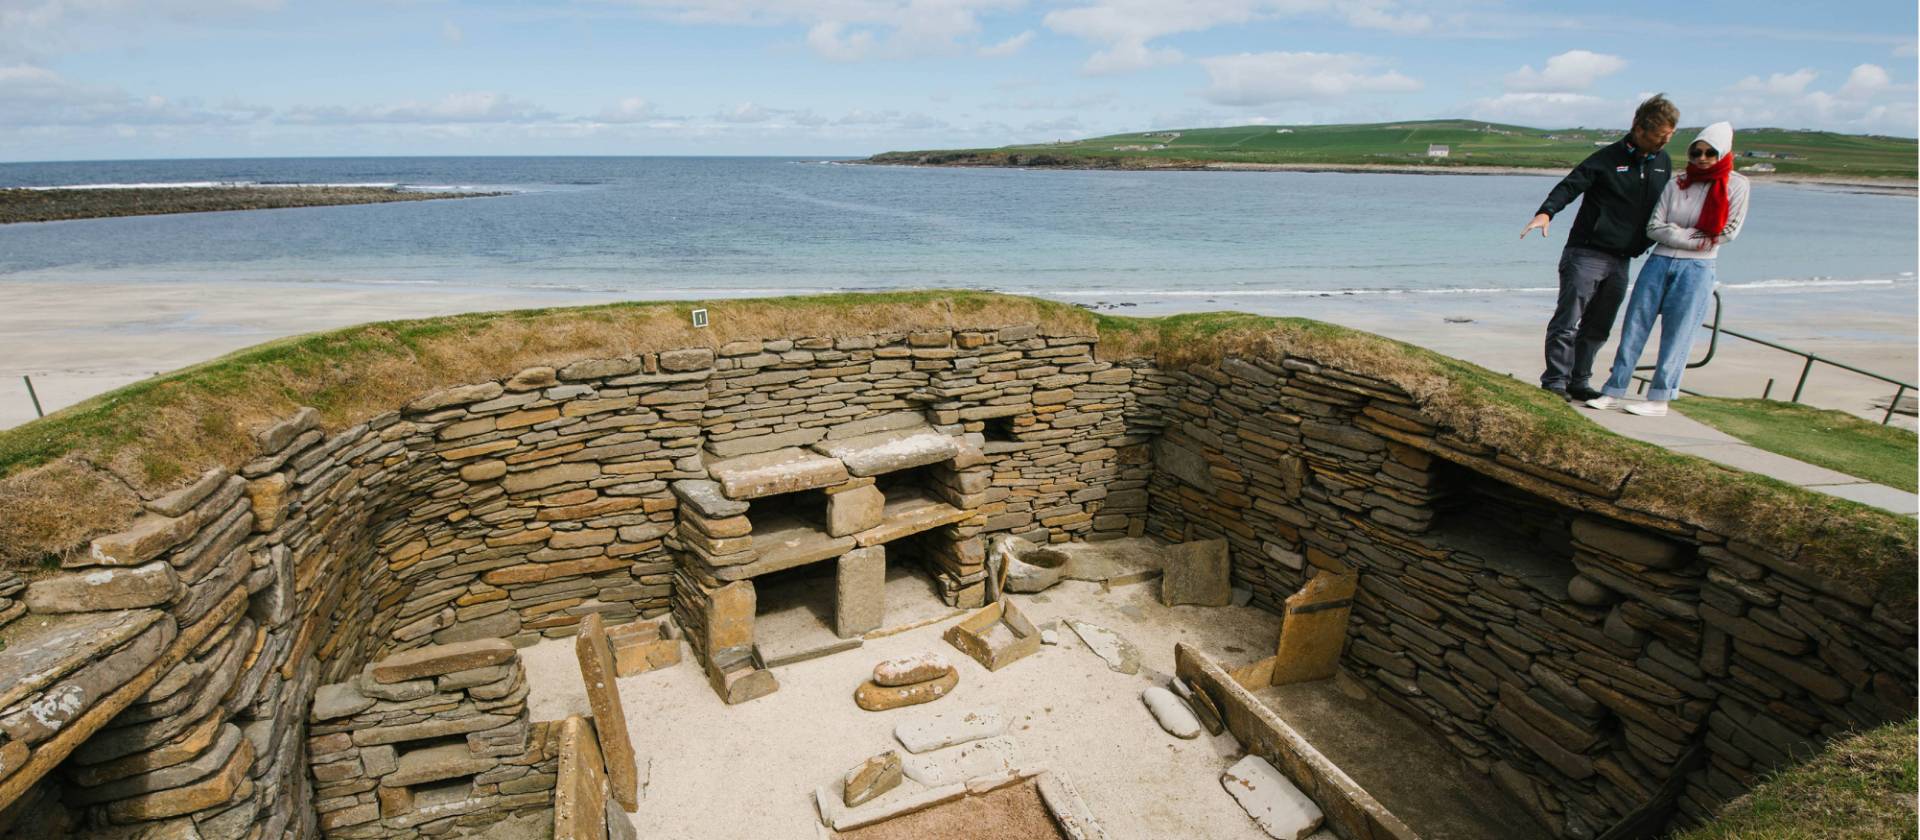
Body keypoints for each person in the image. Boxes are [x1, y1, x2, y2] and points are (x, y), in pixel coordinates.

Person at [1586, 123, 1749, 416]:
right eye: (1696, 152)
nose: (1702, 158)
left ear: (1723, 153)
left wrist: (1677, 232)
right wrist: (1694, 235)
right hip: (1659, 261)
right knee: (1635, 325)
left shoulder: (1737, 185)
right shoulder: (1678, 183)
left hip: (1698, 268)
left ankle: (1659, 398)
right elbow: (1654, 226)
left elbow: (1727, 232)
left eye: (1710, 152)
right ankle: (1613, 390)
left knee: (1679, 332)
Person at [1523, 94, 1678, 401]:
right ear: (1638, 128)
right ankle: (1555, 381)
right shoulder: (1607, 158)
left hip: (1623, 259)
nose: (1664, 143)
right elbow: (1570, 185)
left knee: (1599, 325)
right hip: (1586, 252)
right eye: (1659, 137)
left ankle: (1579, 381)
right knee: (1568, 321)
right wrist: (1546, 212)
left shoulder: (1663, 162)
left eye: (1669, 137)